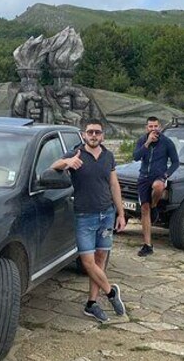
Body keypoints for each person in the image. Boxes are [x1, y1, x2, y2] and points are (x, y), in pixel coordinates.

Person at [51, 119, 127, 322]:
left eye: (97, 132)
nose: (94, 135)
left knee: (100, 260)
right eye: (90, 132)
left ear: (102, 136)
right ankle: (111, 292)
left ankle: (92, 303)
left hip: (106, 214)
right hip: (85, 216)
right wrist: (67, 163)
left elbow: (114, 185)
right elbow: (54, 166)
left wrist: (120, 213)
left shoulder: (108, 156)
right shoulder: (76, 154)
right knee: (87, 262)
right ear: (84, 134)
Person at [132, 116, 179, 257]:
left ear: (159, 127)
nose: (153, 129)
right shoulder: (142, 140)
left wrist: (165, 175)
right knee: (144, 209)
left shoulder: (167, 142)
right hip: (143, 177)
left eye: (155, 126)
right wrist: (147, 143)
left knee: (158, 186)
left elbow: (176, 162)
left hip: (159, 176)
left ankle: (154, 206)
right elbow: (135, 157)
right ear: (147, 128)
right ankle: (147, 245)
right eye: (150, 126)